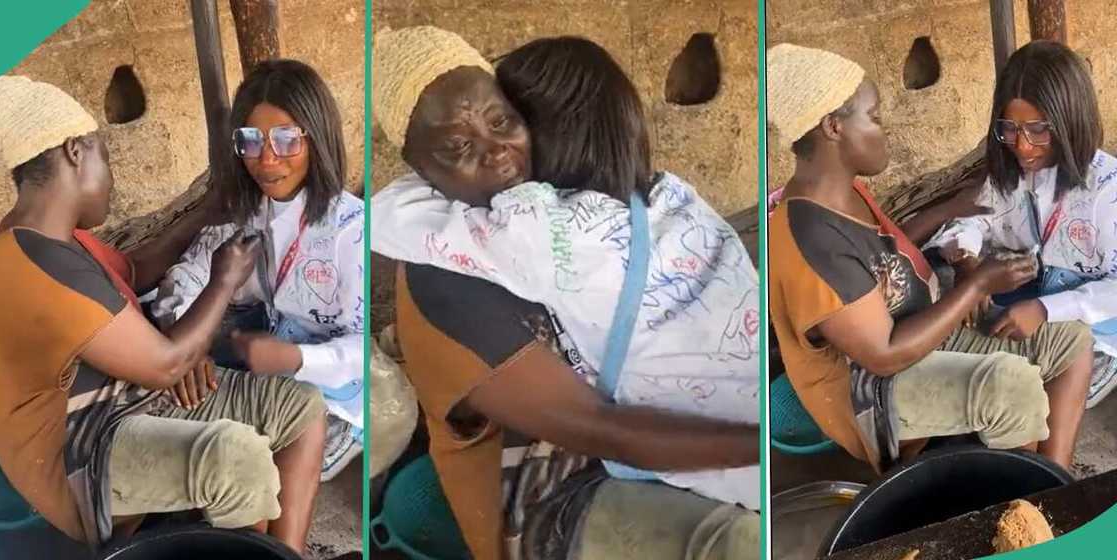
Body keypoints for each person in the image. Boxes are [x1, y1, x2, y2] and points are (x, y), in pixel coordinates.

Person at [373, 26, 758, 560]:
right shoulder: (447, 273)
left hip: (648, 441)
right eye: (459, 146)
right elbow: (600, 429)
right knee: (736, 543)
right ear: (420, 168)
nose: (499, 153)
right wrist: (760, 447)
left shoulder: (582, 218)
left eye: (504, 121)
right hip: (547, 491)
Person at [0, 75, 326, 553]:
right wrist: (225, 280)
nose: (111, 182)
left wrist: (201, 215)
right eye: (105, 159)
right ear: (75, 151)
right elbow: (164, 363)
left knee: (299, 407)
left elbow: (132, 271)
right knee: (237, 459)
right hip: (81, 448)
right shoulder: (29, 264)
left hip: (125, 396)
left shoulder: (56, 237)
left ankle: (283, 555)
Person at [766, 43, 1093, 472]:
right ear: (833, 127)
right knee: (1012, 389)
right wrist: (975, 285)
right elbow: (882, 355)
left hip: (919, 331)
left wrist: (945, 212)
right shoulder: (807, 240)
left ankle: (1055, 479)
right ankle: (1019, 502)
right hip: (872, 391)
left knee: (1071, 339)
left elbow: (888, 252)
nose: (886, 131)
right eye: (875, 117)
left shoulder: (844, 193)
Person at [152, 59, 365, 482]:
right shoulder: (249, 213)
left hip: (334, 392)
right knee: (186, 437)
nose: (266, 159)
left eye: (287, 139)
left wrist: (297, 357)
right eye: (251, 140)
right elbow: (187, 277)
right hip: (264, 363)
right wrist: (186, 343)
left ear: (317, 138)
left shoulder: (352, 229)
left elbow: (363, 349)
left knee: (250, 472)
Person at [926, 40, 1117, 409]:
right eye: (1009, 129)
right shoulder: (1011, 174)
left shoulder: (1107, 191)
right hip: (1031, 297)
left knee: (1041, 398)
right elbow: (970, 220)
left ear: (1070, 120)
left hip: (1096, 323)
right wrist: (966, 262)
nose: (1023, 146)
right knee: (984, 378)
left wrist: (1048, 310)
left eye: (1037, 129)